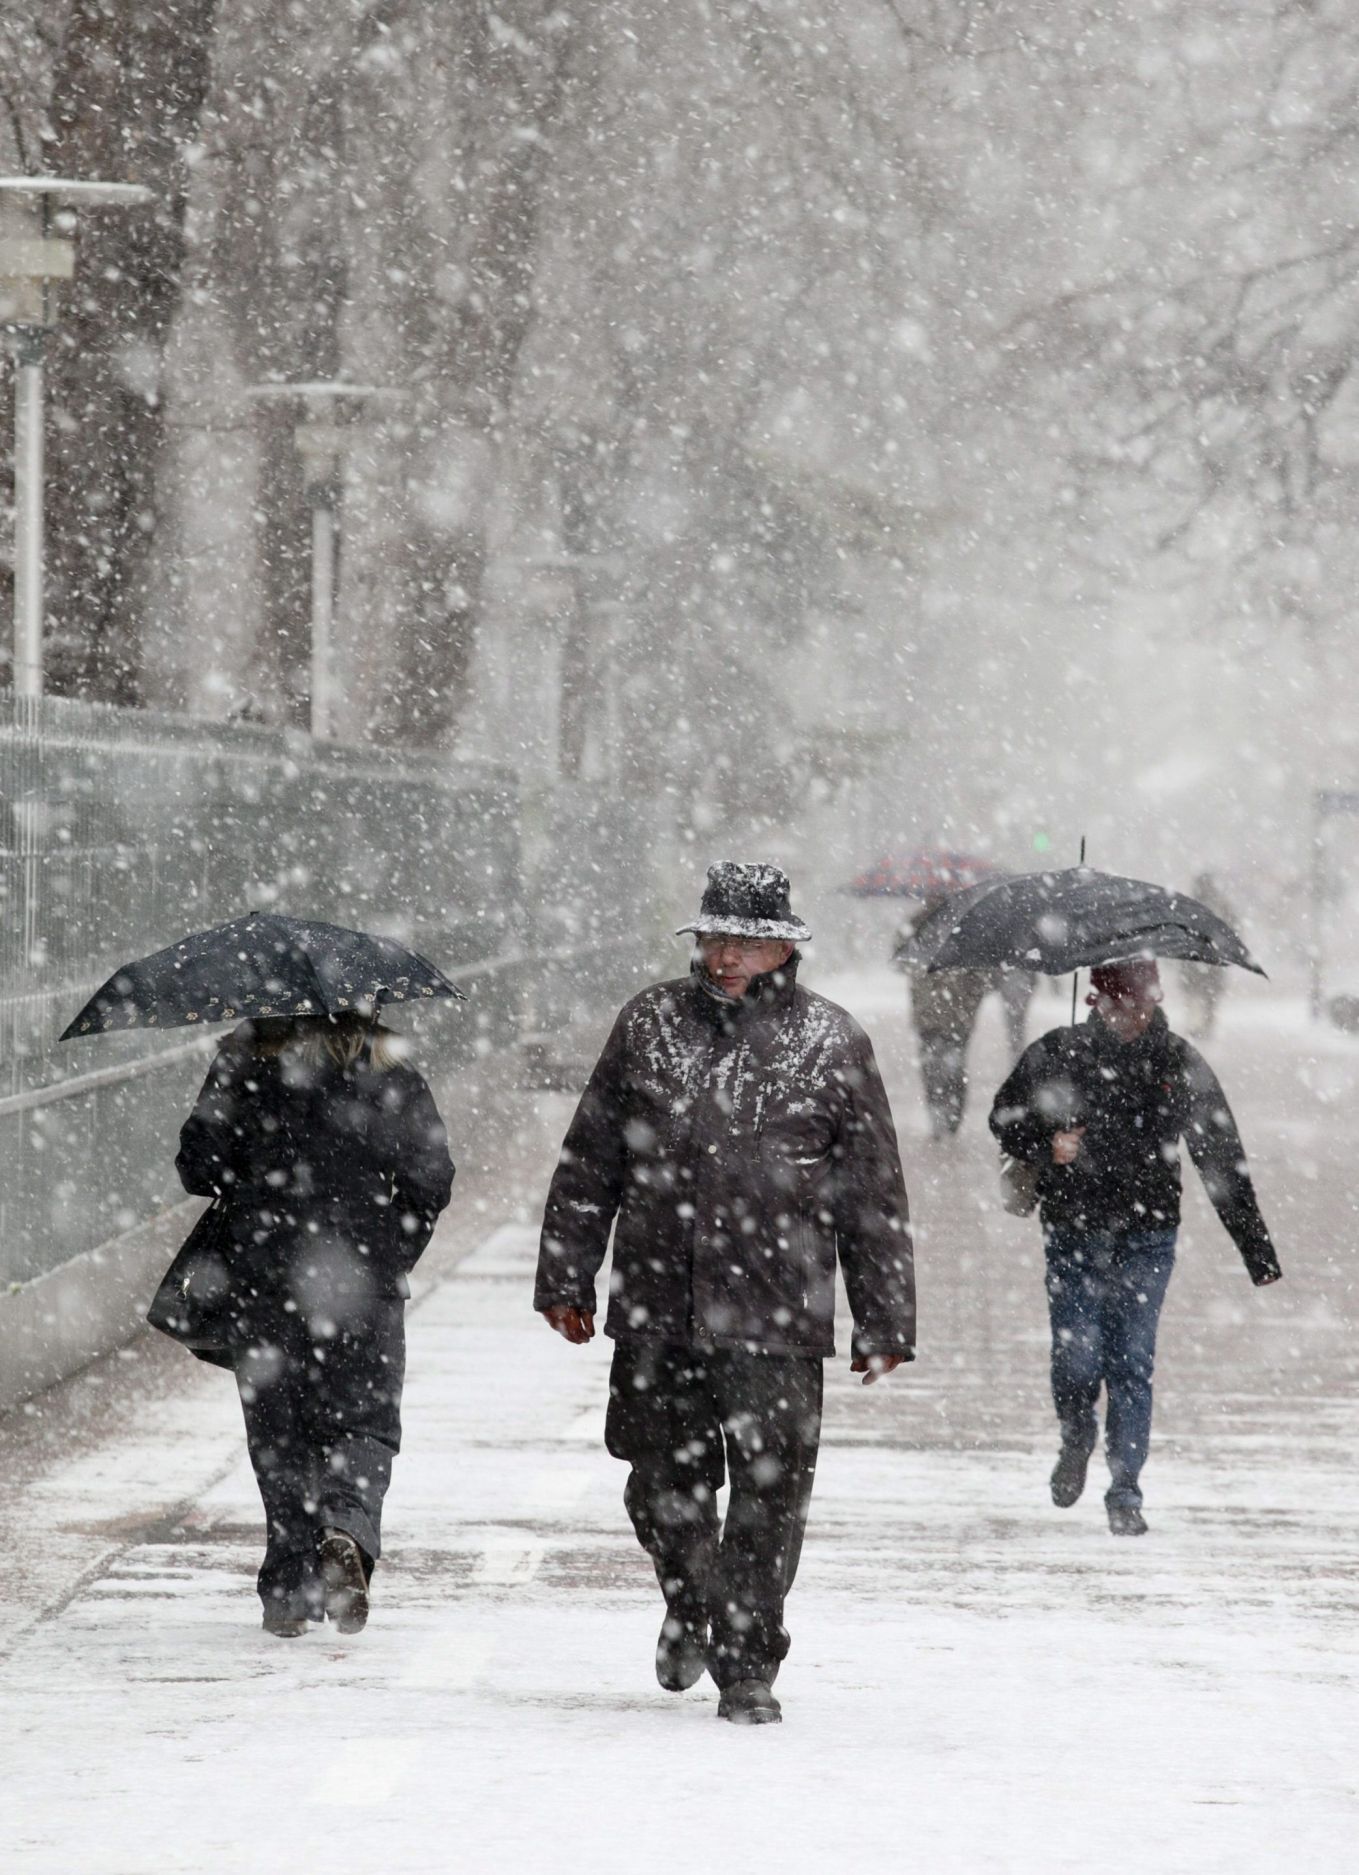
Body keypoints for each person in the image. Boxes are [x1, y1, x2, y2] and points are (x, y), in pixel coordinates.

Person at [535, 861, 915, 1725]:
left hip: (777, 1309)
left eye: (742, 941)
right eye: (712, 938)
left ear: (784, 945)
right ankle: (690, 1595)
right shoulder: (649, 1024)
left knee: (769, 1496)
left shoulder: (832, 1040)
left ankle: (747, 1661)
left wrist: (883, 1316)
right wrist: (566, 1272)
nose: (723, 956)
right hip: (657, 1300)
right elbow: (590, 1158)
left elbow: (871, 1191)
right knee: (657, 1477)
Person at [175, 1012, 453, 1635]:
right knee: (364, 1421)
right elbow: (431, 1179)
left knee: (279, 1434)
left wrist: (253, 1176)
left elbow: (197, 1166)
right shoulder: (386, 1067)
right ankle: (346, 1528)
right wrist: (388, 1252)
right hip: (363, 1284)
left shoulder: (243, 1064)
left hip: (261, 1277)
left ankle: (289, 1589)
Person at [988, 958, 1281, 1536]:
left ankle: (1126, 1492)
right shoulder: (1059, 1052)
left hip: (1148, 1236)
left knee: (1131, 1362)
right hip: (1072, 1228)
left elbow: (1220, 1156)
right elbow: (1003, 1117)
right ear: (1096, 999)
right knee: (1077, 1357)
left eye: (1144, 1005)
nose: (1134, 1018)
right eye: (1123, 1006)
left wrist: (1257, 1249)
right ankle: (1077, 1436)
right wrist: (1049, 1141)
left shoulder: (1177, 1061)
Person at [896, 898, 990, 1137]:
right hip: (943, 1013)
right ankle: (944, 1117)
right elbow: (899, 959)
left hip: (946, 1014)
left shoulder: (964, 930)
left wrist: (969, 997)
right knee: (941, 1066)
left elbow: (983, 977)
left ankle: (945, 1116)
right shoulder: (921, 924)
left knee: (942, 1067)